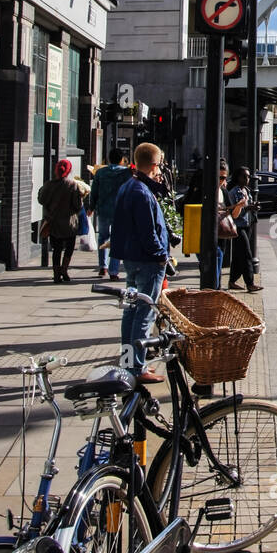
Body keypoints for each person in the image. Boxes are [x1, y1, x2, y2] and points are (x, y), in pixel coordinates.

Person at [110, 143, 170, 383]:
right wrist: (161, 255)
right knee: (144, 314)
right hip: (148, 262)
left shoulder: (128, 186)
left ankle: (129, 363)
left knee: (130, 313)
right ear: (154, 165)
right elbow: (149, 233)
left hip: (132, 259)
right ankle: (137, 368)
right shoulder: (142, 192)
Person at [38, 160, 84, 284]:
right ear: (68, 171)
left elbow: (41, 200)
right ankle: (64, 269)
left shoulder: (48, 185)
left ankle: (56, 274)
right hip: (69, 223)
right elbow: (77, 206)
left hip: (54, 222)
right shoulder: (73, 185)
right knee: (69, 248)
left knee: (56, 249)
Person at [87, 147, 129, 278]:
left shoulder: (100, 173)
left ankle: (102, 266)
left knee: (103, 237)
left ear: (109, 159)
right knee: (117, 240)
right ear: (122, 160)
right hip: (120, 211)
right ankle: (114, 270)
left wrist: (91, 207)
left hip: (103, 209)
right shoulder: (126, 173)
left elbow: (94, 191)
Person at [228, 167, 262, 293]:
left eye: (248, 176)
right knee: (247, 254)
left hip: (248, 225)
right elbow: (233, 213)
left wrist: (254, 207)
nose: (247, 179)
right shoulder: (233, 192)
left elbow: (248, 207)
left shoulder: (247, 190)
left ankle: (232, 281)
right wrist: (247, 208)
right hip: (238, 226)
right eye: (244, 176)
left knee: (238, 255)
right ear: (238, 177)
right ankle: (250, 283)